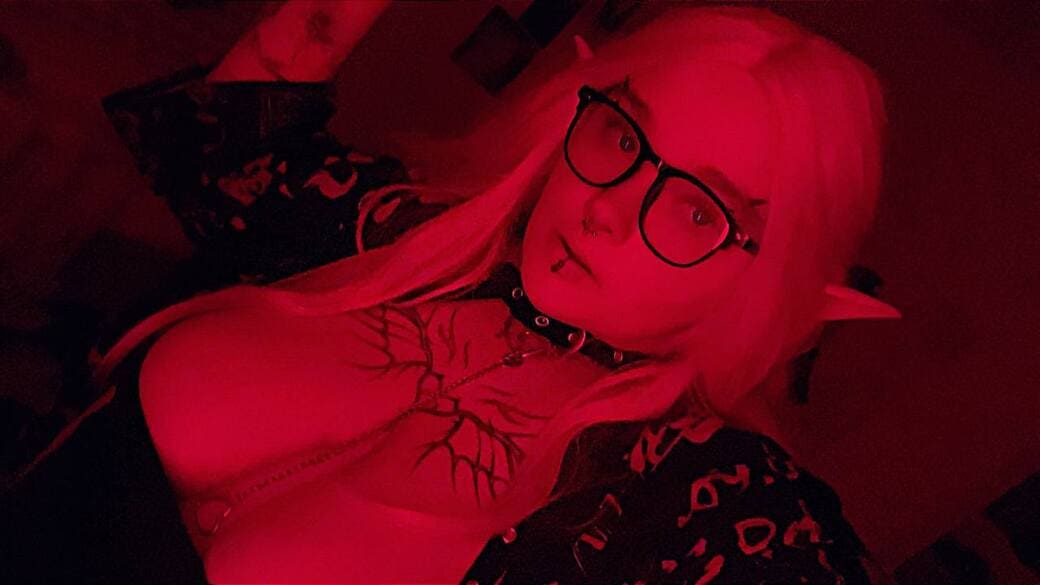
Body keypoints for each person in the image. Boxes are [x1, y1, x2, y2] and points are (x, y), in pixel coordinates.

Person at [8, 2, 903, 583]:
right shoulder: (414, 234)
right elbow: (223, 142)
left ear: (771, 278)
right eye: (623, 133)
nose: (605, 210)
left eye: (698, 210)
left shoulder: (708, 499)